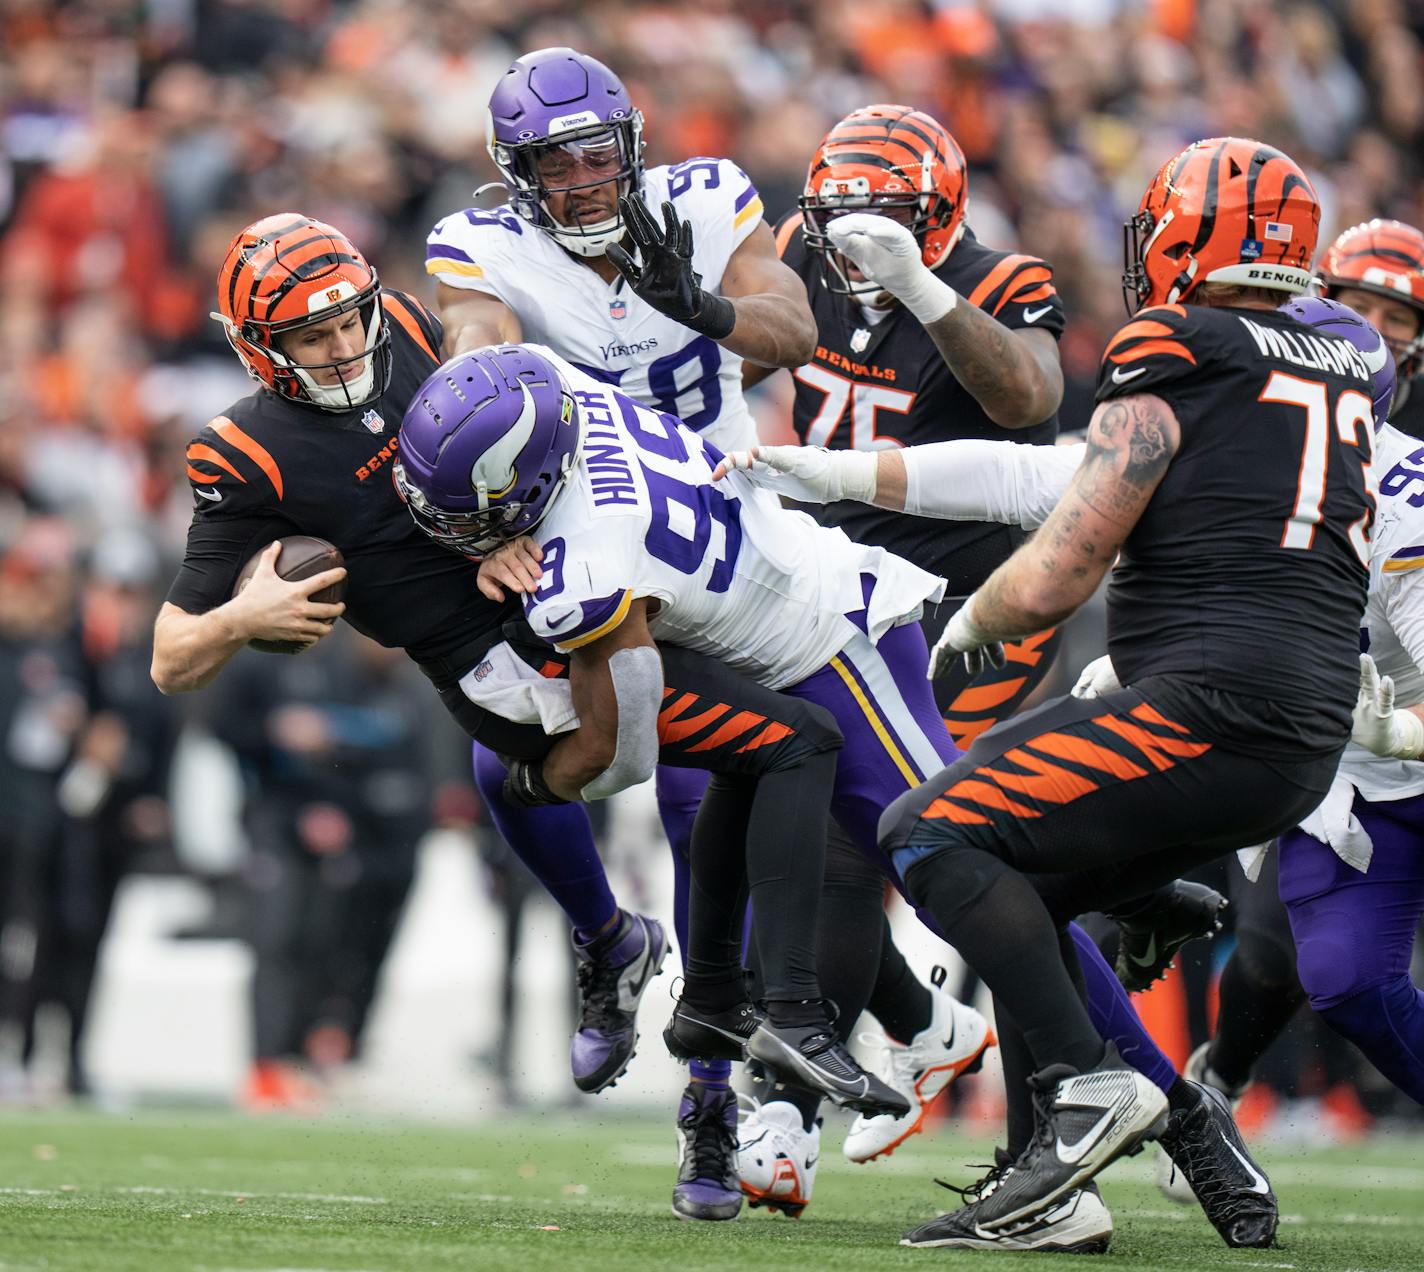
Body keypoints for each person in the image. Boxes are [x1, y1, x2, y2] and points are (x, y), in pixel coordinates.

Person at [395, 340, 1250, 1254]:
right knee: (981, 879)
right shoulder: (550, 381)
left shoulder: (585, 559)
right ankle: (1128, 923)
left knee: (986, 887)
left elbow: (625, 753)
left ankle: (1181, 1106)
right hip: (795, 627)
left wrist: (551, 777)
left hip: (838, 647)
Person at [149, 211, 861, 1223]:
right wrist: (245, 613)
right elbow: (171, 659)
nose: (348, 347)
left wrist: (504, 524)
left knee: (704, 808)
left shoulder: (403, 320)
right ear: (257, 348)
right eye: (314, 338)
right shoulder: (244, 456)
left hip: (591, 576)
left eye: (350, 321)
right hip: (499, 659)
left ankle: (694, 1065)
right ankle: (678, 978)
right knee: (663, 759)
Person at [752, 136, 1369, 1246]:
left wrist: (974, 629)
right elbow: (1042, 473)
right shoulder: (1334, 360)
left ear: (1190, 234)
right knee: (1026, 879)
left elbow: (1066, 551)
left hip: (1209, 706)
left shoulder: (1177, 340)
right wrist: (839, 473)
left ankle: (1092, 1086)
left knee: (927, 833)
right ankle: (1055, 1180)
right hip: (1298, 731)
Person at [424, 49, 985, 1219]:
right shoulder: (480, 247)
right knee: (543, 762)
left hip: (725, 536)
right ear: (511, 173)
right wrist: (481, 478)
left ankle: (752, 1080)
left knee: (789, 816)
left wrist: (705, 308)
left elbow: (779, 330)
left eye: (595, 152)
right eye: (551, 162)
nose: (579, 180)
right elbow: (472, 345)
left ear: (631, 142)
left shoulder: (702, 197)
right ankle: (647, 998)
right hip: (597, 546)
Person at [731, 102, 1224, 1187]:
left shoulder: (1001, 276)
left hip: (963, 609)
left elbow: (1029, 396)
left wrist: (918, 284)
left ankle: (810, 1095)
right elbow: (729, 336)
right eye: (839, 216)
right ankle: (875, 1054)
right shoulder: (794, 255)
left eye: (890, 218)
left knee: (913, 844)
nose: (856, 239)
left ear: (941, 211)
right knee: (840, 831)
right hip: (826, 587)